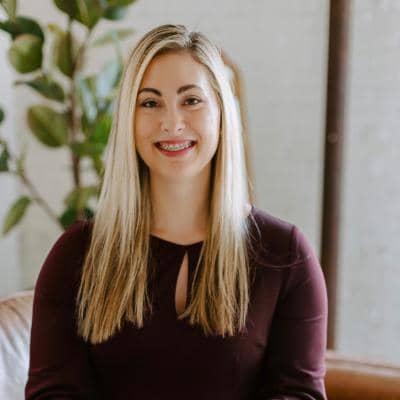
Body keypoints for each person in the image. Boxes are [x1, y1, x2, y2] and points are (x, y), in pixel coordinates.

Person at [25, 24, 328, 400]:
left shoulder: (285, 255)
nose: (172, 123)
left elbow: (298, 394)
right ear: (129, 120)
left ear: (221, 113)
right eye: (150, 103)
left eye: (192, 101)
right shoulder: (77, 254)